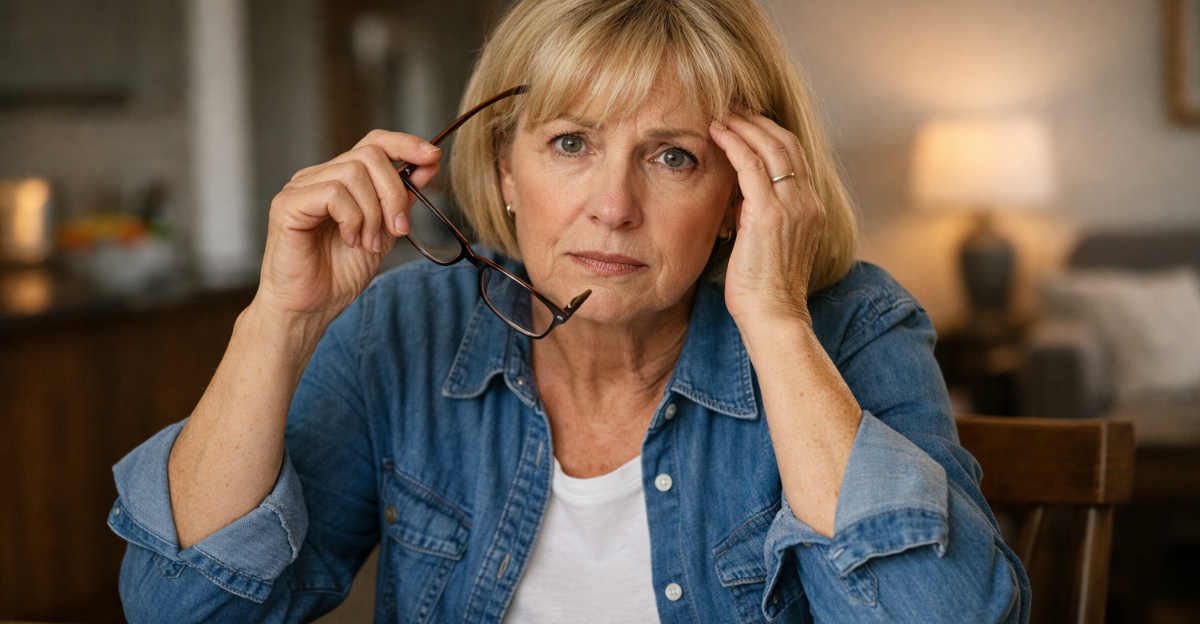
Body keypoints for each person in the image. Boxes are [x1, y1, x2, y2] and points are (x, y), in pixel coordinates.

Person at [109, 0, 1030, 621]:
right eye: (570, 143)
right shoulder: (403, 330)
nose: (614, 205)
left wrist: (777, 323)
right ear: (506, 170)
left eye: (673, 157)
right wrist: (279, 316)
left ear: (742, 194)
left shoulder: (852, 326)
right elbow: (180, 608)